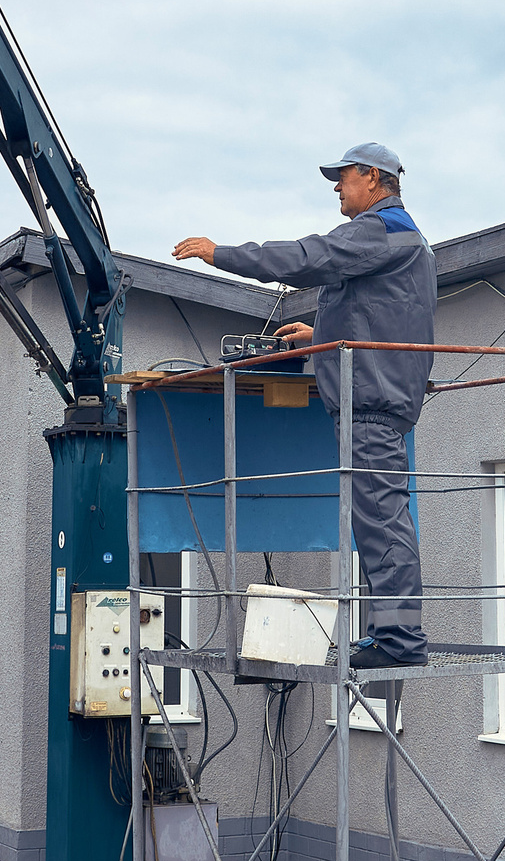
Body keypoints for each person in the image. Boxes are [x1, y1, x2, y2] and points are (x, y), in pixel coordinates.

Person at [174, 142, 438, 669]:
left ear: (372, 177)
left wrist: (220, 253)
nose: (337, 188)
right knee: (376, 522)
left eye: (343, 178)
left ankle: (401, 640)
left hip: (371, 405)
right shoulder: (404, 242)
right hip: (377, 398)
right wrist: (319, 335)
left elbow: (305, 256)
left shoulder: (380, 231)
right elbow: (383, 317)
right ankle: (390, 634)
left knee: (382, 522)